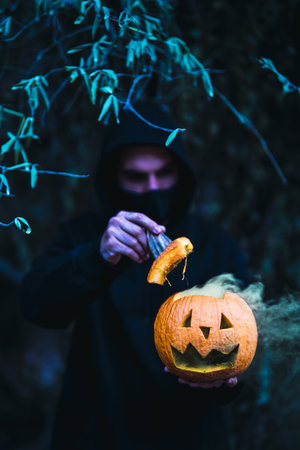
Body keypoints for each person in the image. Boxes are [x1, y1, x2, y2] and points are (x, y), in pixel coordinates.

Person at [19, 101, 250, 450]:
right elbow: (37, 305)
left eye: (165, 173)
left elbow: (248, 339)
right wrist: (97, 257)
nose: (153, 188)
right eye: (136, 177)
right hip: (94, 434)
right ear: (114, 177)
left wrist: (229, 380)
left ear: (183, 174)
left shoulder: (217, 247)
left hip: (190, 437)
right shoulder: (83, 237)